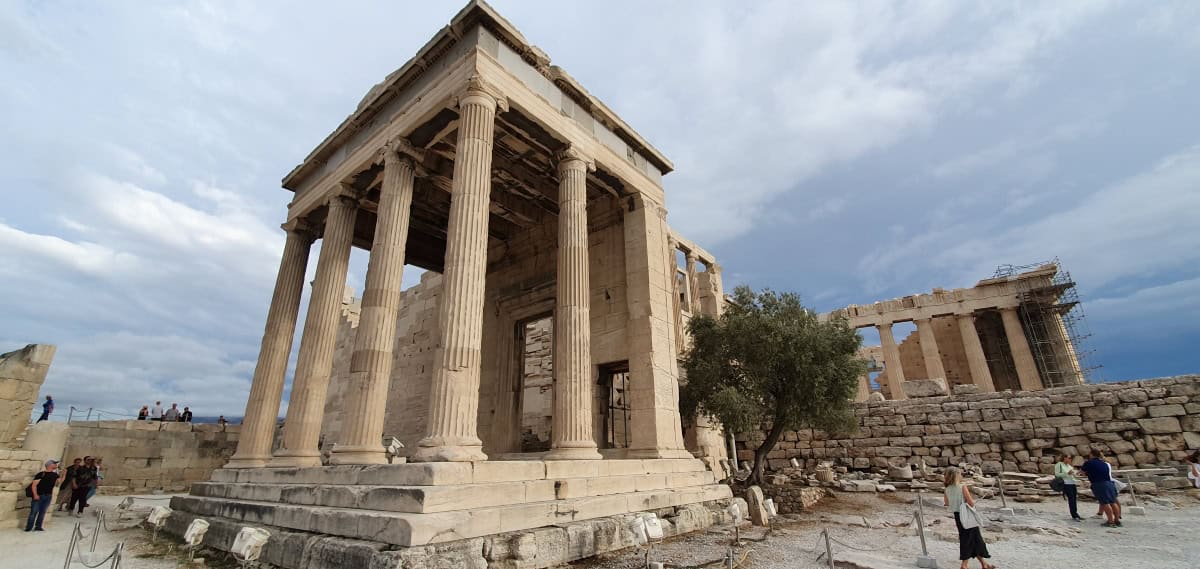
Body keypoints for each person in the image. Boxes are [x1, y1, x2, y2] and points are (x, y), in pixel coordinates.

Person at [943, 467, 995, 569]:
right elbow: (971, 503)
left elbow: (946, 503)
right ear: (957, 476)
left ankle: (984, 564)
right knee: (970, 539)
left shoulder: (946, 489)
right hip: (967, 515)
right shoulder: (962, 487)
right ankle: (964, 565)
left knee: (972, 539)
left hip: (957, 516)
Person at [1079, 449, 1121, 527]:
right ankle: (1117, 520)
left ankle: (1110, 521)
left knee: (1105, 502)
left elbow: (1082, 472)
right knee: (1113, 502)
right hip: (1109, 483)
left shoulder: (1089, 463)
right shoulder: (1104, 463)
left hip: (1099, 483)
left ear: (1091, 454)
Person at [25, 459, 59, 531]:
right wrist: (35, 494)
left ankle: (38, 526)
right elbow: (34, 485)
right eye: (54, 464)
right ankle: (29, 527)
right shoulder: (41, 474)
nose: (56, 465)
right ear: (50, 465)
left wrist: (64, 475)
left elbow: (57, 483)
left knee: (42, 512)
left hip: (48, 495)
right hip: (39, 495)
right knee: (33, 512)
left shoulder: (55, 475)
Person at [1054, 453, 1083, 521]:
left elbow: (1072, 475)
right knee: (1071, 499)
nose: (1070, 459)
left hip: (1072, 483)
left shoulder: (1069, 466)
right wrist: (1067, 473)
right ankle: (1074, 515)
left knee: (1074, 499)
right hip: (1066, 483)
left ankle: (1075, 514)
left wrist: (1077, 474)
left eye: (1071, 458)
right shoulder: (1059, 464)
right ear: (1064, 458)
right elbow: (1057, 474)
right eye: (1069, 458)